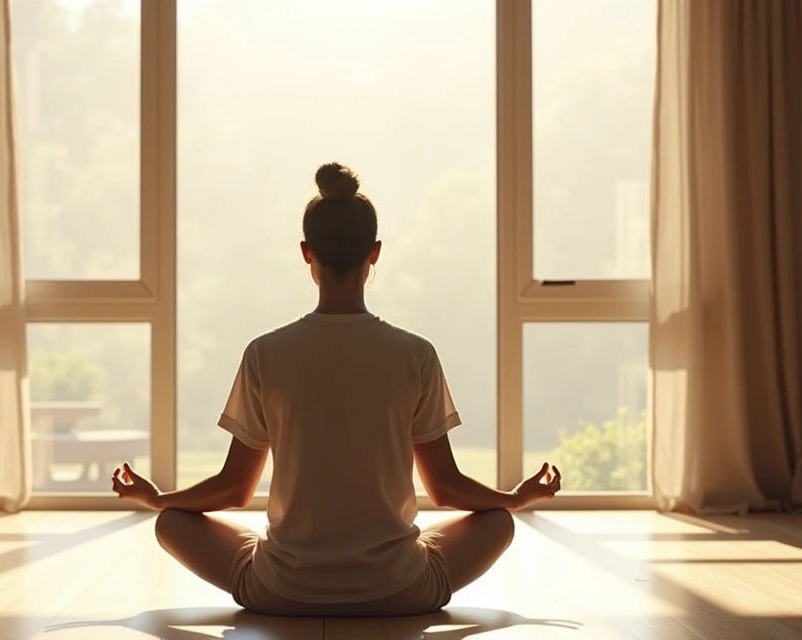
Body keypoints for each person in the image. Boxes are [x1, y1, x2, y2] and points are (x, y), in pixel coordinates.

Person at [111, 162, 562, 617]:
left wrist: (159, 499)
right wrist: (514, 499)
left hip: (281, 590)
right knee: (499, 522)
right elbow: (444, 488)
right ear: (375, 253)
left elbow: (234, 489)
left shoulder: (265, 353)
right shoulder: (415, 354)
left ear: (307, 253)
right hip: (399, 590)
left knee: (171, 523)